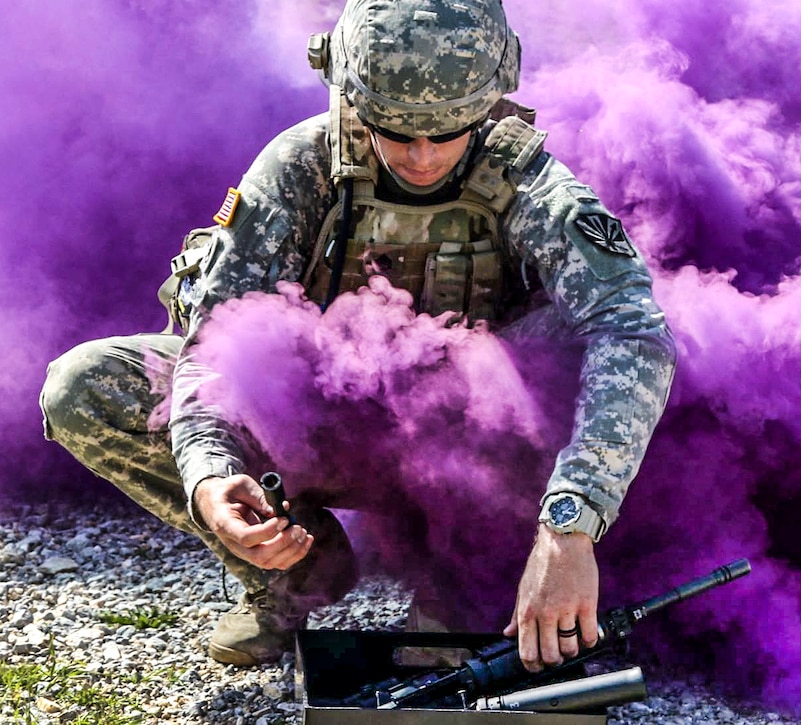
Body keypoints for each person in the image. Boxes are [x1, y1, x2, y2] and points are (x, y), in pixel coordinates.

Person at [39, 0, 675, 673]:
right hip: (314, 433)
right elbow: (214, 343)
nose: (423, 157)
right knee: (84, 386)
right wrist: (209, 480)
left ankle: (458, 580)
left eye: (448, 131)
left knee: (573, 345)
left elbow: (632, 331)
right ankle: (289, 570)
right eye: (396, 133)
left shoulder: (531, 185)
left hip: (464, 456)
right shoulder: (300, 167)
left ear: (488, 102)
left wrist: (570, 525)